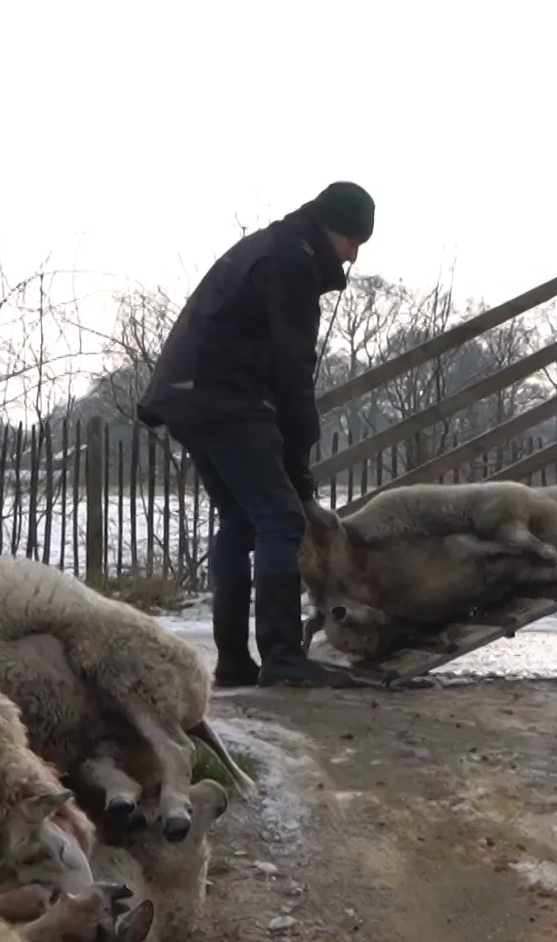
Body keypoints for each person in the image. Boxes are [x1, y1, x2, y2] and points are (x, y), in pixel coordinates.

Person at [137, 182, 377, 689]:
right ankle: (282, 656)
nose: (353, 256)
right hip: (224, 394)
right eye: (352, 241)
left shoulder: (277, 245)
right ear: (331, 227)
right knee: (281, 520)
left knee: (241, 521)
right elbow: (293, 365)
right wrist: (298, 455)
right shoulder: (294, 261)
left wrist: (291, 458)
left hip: (188, 393)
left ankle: (234, 661)